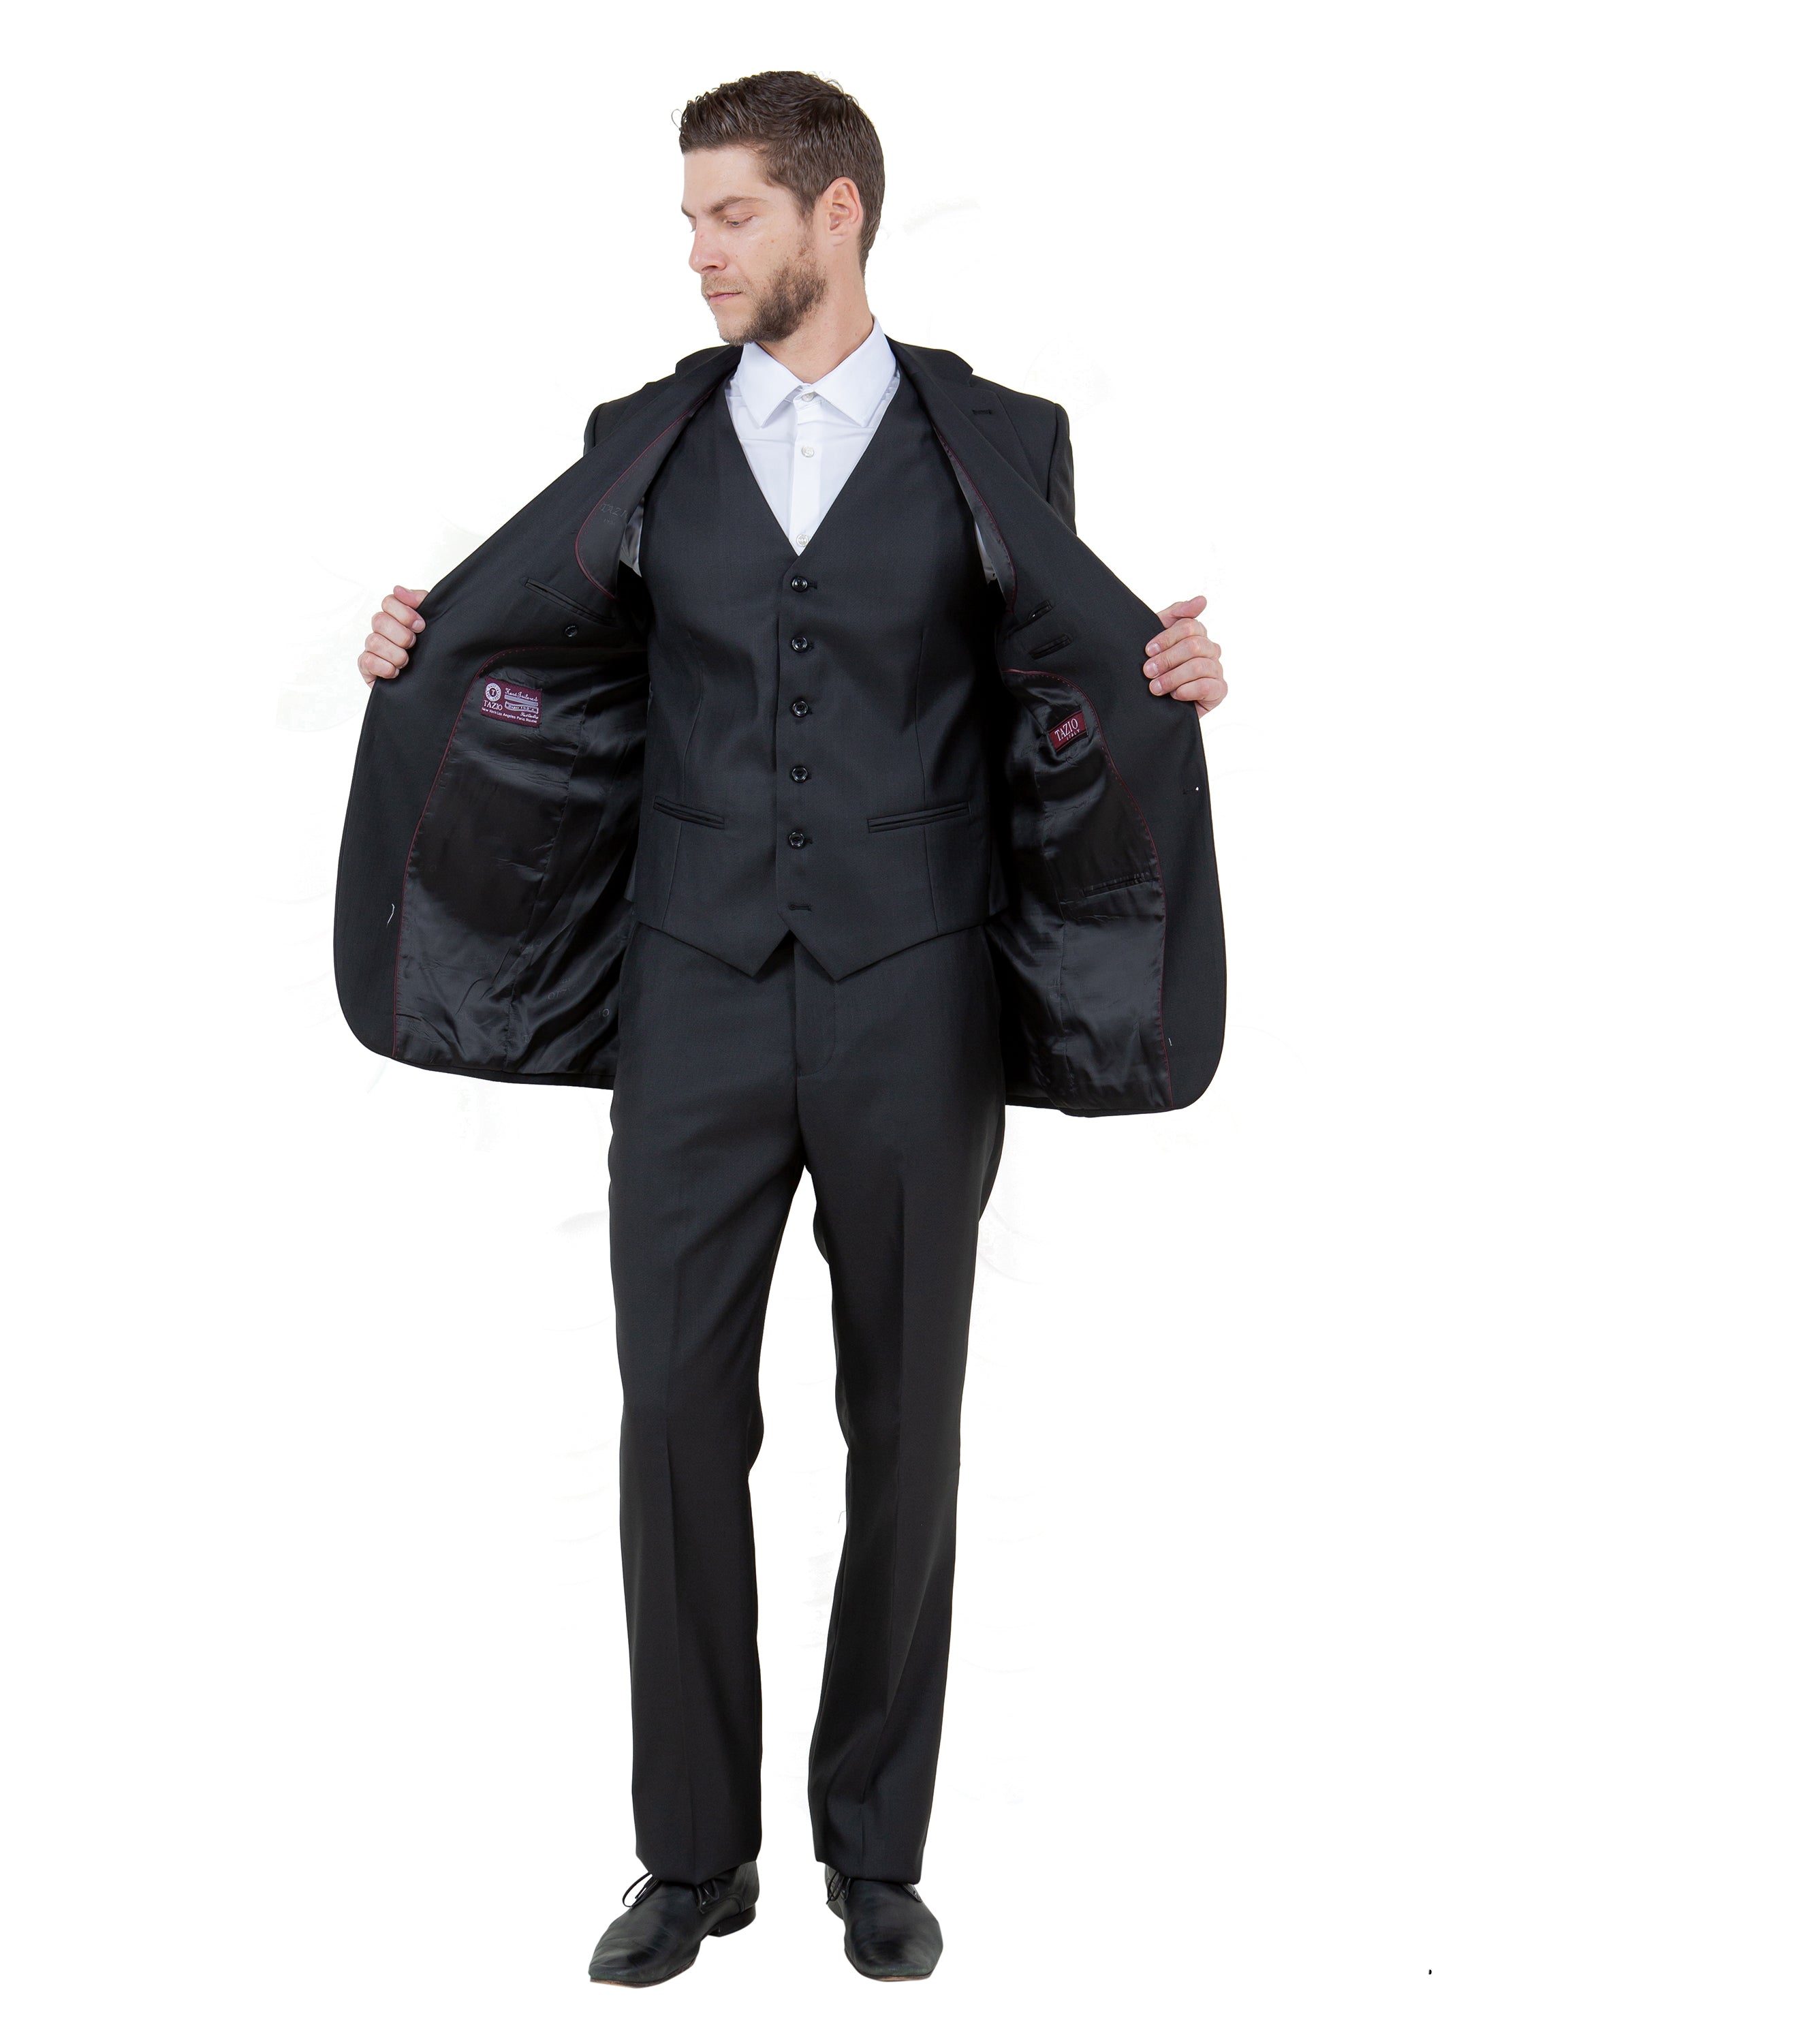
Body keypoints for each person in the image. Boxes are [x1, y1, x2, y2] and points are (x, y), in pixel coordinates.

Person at [340, 70, 1229, 1986]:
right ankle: (691, 1860)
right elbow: (546, 650)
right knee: (676, 1419)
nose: (697, 250)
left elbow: (1056, 682)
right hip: (694, 996)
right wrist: (424, 655)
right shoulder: (643, 440)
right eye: (690, 218)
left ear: (837, 214)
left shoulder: (1004, 439)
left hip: (919, 1000)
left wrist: (1166, 679)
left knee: (905, 1421)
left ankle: (876, 1853)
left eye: (729, 213)